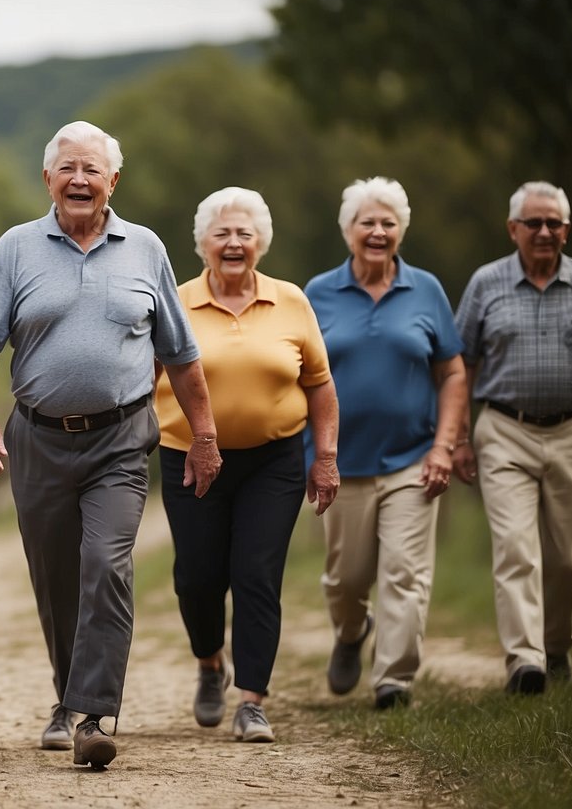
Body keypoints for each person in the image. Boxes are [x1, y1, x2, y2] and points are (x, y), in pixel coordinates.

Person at [0, 121, 222, 770]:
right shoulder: (14, 250)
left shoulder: (145, 249)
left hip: (120, 441)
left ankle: (95, 714)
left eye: (92, 169)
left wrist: (204, 436)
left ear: (112, 181)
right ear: (48, 178)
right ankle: (67, 698)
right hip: (38, 440)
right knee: (56, 579)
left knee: (106, 564)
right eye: (67, 167)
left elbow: (181, 355)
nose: (80, 179)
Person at [153, 187, 339, 743]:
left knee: (256, 574)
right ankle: (210, 664)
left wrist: (324, 457)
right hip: (188, 459)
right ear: (202, 244)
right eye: (222, 234)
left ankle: (252, 700)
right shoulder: (175, 301)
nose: (234, 243)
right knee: (198, 576)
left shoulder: (291, 301)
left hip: (273, 460)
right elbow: (141, 380)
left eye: (244, 234)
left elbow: (321, 387)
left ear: (260, 243)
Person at [304, 177, 466, 710]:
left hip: (411, 460)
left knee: (406, 573)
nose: (378, 231)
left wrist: (444, 446)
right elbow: (300, 376)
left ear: (401, 231)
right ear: (348, 231)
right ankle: (352, 633)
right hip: (340, 463)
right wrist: (310, 453)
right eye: (367, 223)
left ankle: (393, 682)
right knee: (346, 581)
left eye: (388, 223)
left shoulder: (426, 290)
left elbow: (453, 373)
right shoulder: (318, 293)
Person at [453, 181, 572, 694]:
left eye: (554, 223)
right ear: (513, 229)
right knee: (516, 548)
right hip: (505, 430)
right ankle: (524, 661)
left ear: (567, 230)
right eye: (533, 223)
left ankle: (555, 647)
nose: (544, 231)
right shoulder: (486, 284)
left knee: (564, 558)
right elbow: (458, 362)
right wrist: (458, 438)